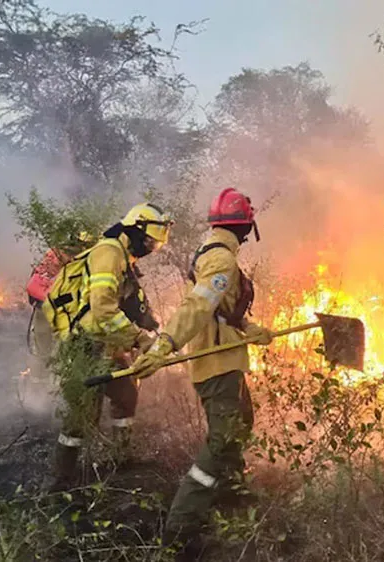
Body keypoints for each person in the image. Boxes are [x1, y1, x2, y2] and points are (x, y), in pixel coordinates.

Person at [129, 187, 273, 556]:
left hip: (228, 358)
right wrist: (165, 346)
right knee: (223, 439)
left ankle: (234, 498)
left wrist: (248, 329)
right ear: (245, 227)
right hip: (217, 363)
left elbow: (221, 309)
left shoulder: (213, 252)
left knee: (241, 425)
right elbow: (197, 307)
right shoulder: (222, 260)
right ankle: (179, 528)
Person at [41, 202, 173, 491]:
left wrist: (149, 328)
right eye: (150, 239)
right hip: (85, 343)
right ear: (135, 231)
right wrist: (138, 338)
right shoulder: (108, 253)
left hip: (106, 344)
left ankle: (120, 458)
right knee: (82, 413)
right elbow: (102, 310)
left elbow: (129, 304)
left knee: (126, 394)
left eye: (156, 242)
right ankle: (61, 480)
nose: (152, 246)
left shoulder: (124, 258)